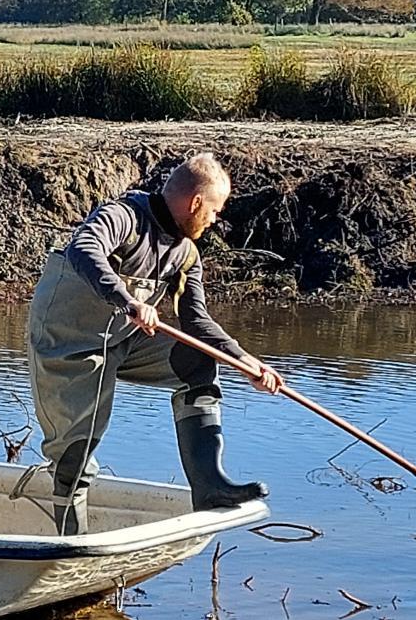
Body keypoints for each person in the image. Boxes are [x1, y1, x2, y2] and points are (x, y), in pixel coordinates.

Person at [27, 153, 283, 531]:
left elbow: (196, 321)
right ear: (196, 202)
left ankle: (209, 485)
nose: (214, 221)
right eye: (214, 211)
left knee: (196, 363)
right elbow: (84, 249)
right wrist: (128, 301)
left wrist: (247, 364)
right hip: (67, 345)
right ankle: (71, 541)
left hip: (123, 342)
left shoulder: (186, 255)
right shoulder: (124, 216)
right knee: (74, 457)